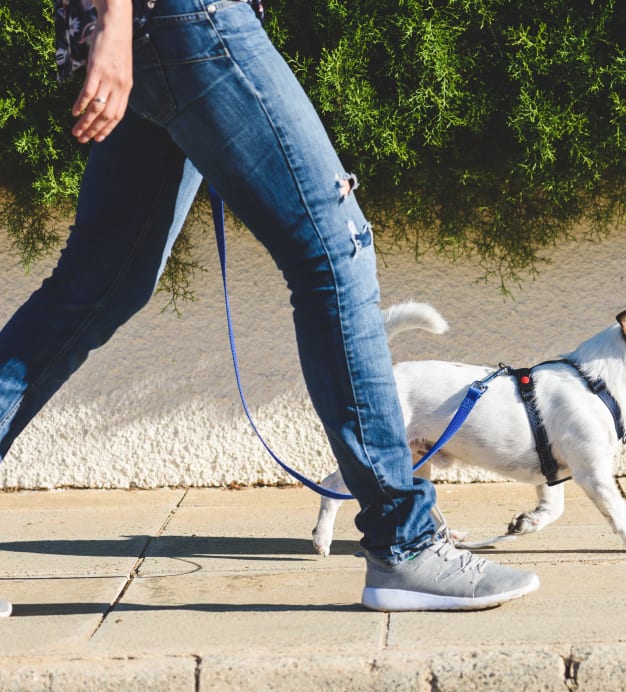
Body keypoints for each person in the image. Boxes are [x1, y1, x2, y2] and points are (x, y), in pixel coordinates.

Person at [0, 0, 539, 616]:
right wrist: (118, 20)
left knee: (98, 287)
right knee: (337, 254)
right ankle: (406, 543)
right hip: (186, 17)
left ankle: (405, 541)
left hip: (162, 29)